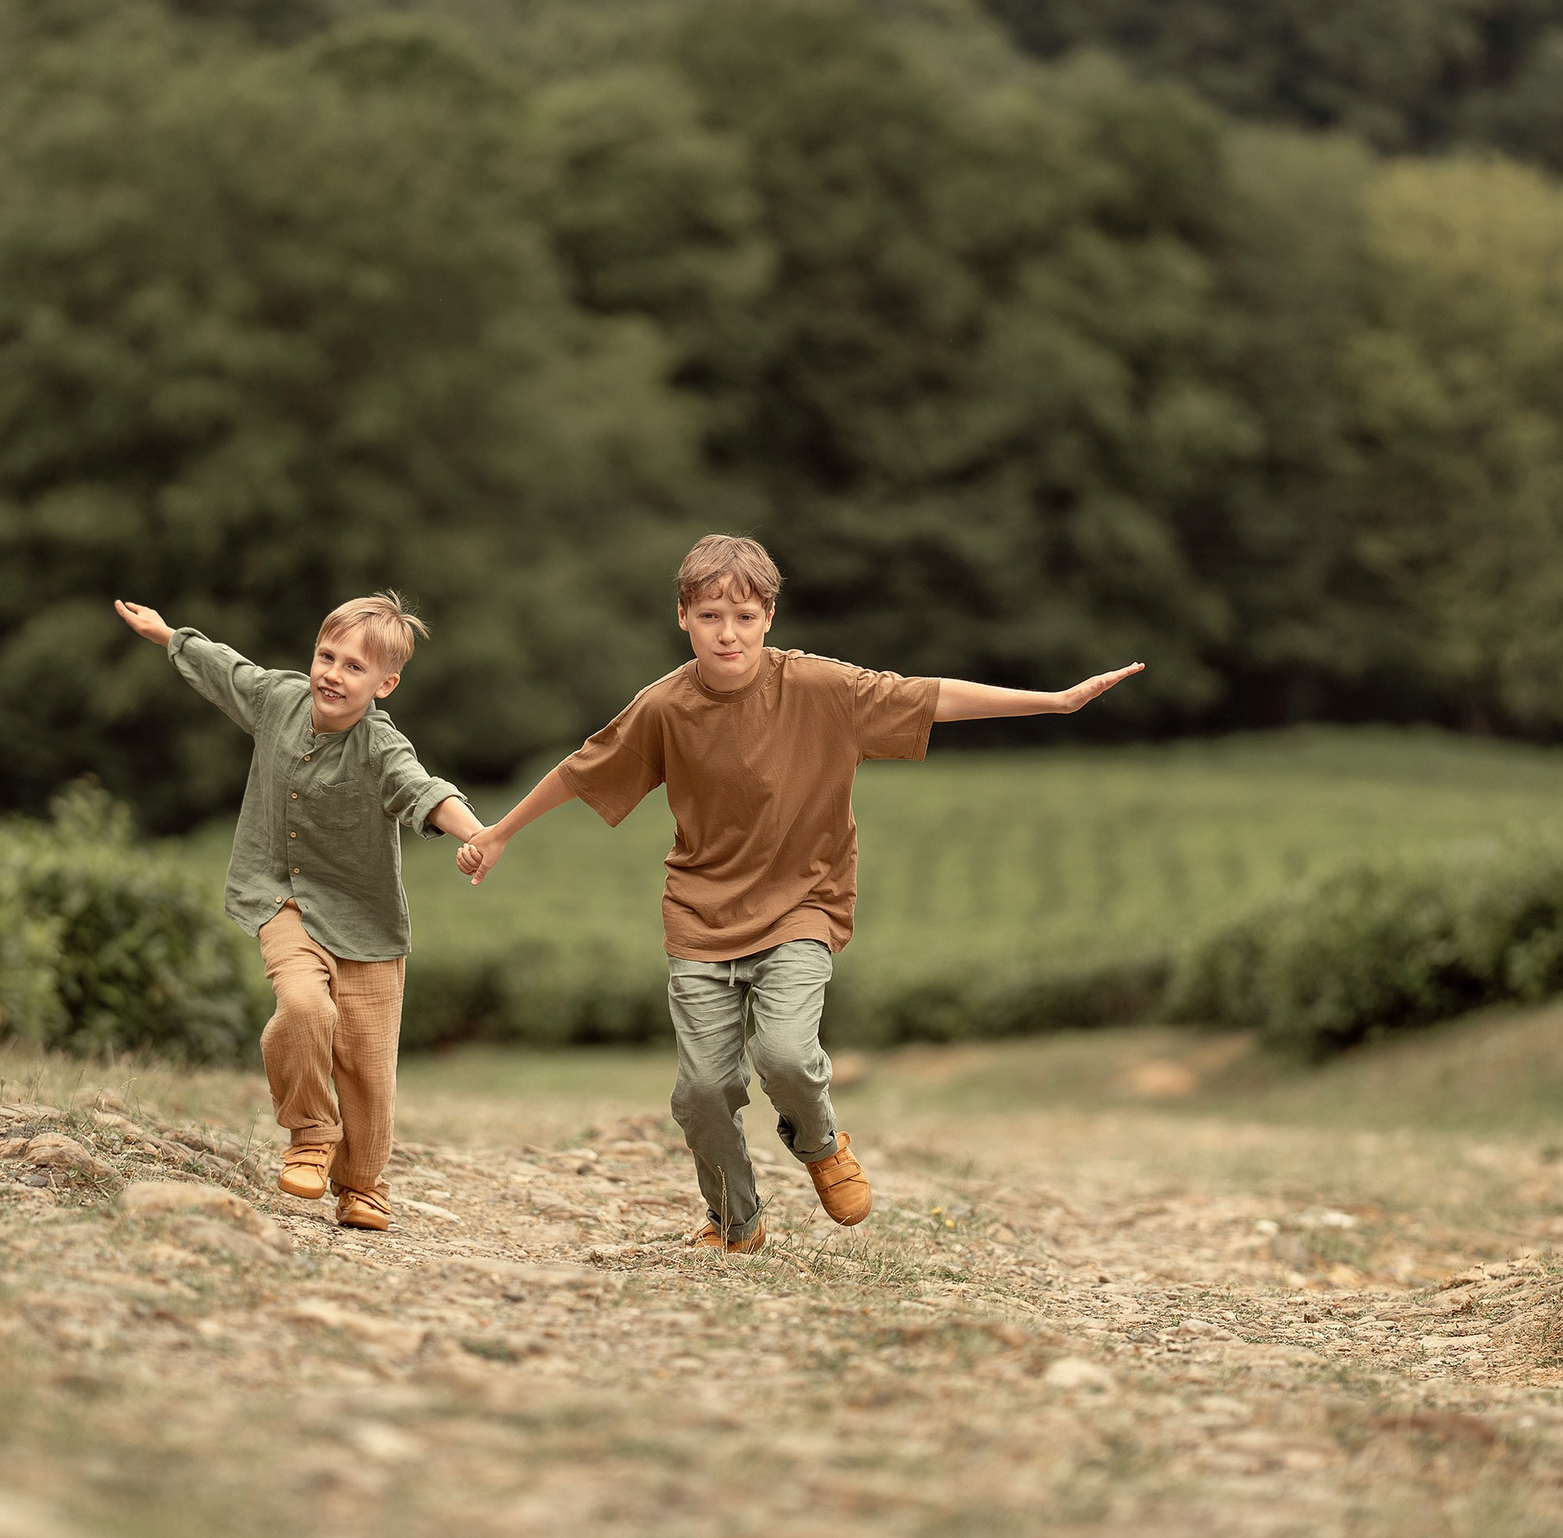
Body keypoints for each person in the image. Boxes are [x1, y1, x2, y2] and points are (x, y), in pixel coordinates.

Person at [456, 535, 1141, 1251]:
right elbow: (581, 768)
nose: (729, 633)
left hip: (802, 905)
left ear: (769, 617)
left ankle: (818, 1144)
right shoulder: (662, 706)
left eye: (745, 616)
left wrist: (1056, 702)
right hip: (699, 916)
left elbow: (928, 696)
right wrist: (501, 830)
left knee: (784, 1053)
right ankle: (736, 1222)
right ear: (682, 615)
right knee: (700, 1094)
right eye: (712, 615)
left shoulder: (819, 688)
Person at [114, 590, 484, 1231]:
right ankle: (311, 1135)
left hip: (366, 922)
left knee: (367, 1065)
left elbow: (420, 789)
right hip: (277, 895)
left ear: (385, 684)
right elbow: (225, 668)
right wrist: (166, 634)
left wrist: (475, 834)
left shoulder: (379, 747)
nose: (332, 674)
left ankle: (362, 1182)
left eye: (353, 667)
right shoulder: (278, 700)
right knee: (303, 1008)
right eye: (326, 656)